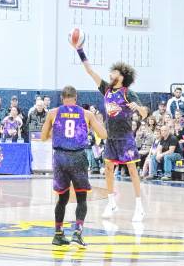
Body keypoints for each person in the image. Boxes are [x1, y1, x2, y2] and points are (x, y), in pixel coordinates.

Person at [73, 43, 148, 222]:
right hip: (111, 137)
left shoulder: (128, 93)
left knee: (132, 170)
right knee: (108, 169)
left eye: (114, 72)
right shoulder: (106, 89)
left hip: (125, 137)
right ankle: (111, 202)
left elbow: (145, 113)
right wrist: (79, 49)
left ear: (122, 76)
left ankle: (139, 207)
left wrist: (138, 108)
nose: (110, 74)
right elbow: (90, 71)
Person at [41, 85, 107, 248]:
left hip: (60, 158)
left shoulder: (53, 113)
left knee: (62, 198)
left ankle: (58, 234)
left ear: (62, 98)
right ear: (76, 98)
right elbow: (104, 135)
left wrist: (58, 133)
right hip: (78, 157)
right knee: (81, 197)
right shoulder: (86, 114)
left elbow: (43, 137)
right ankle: (77, 233)